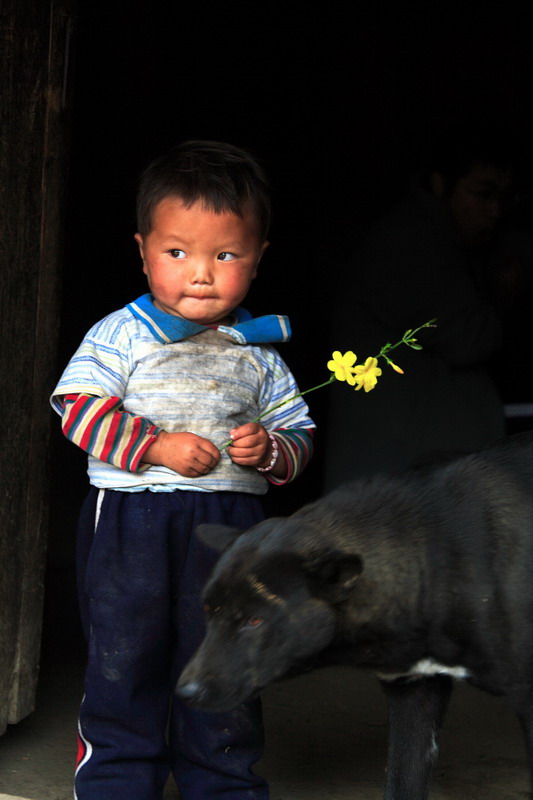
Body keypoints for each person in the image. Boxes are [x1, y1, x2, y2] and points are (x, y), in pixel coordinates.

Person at [50, 140, 315, 800]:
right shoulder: (120, 334)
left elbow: (300, 434)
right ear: (142, 250)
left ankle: (223, 780)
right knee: (125, 657)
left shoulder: (259, 355)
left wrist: (272, 450)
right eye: (177, 253)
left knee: (223, 651)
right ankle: (116, 782)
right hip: (132, 521)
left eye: (224, 255)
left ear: (256, 260)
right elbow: (75, 408)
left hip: (229, 525)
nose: (200, 273)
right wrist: (154, 446)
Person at [324, 123, 522, 490]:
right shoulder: (414, 245)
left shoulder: (436, 240)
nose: (496, 212)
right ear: (439, 184)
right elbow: (470, 340)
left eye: (505, 199)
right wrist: (505, 289)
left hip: (407, 475)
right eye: (483, 194)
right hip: (397, 478)